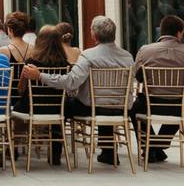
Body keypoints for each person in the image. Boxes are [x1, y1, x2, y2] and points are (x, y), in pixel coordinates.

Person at [23, 16, 134, 166]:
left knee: (62, 106)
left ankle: (56, 154)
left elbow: (70, 82)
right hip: (121, 110)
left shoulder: (89, 56)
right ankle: (109, 153)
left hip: (91, 109)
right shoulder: (127, 57)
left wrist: (40, 76)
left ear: (93, 35)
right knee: (105, 103)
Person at [14, 25, 70, 165]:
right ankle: (55, 155)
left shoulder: (31, 63)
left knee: (14, 112)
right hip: (58, 109)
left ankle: (14, 149)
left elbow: (21, 89)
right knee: (59, 112)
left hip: (32, 108)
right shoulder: (65, 64)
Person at [133, 15, 184, 164]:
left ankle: (151, 147)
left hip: (150, 103)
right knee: (182, 108)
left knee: (133, 109)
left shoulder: (145, 50)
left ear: (161, 31)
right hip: (177, 105)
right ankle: (158, 145)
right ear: (179, 33)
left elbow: (139, 78)